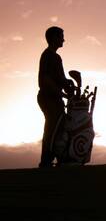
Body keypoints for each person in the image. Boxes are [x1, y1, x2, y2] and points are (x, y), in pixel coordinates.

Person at [37, 26, 72, 168]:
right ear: (53, 38)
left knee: (57, 127)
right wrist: (61, 92)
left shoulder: (55, 57)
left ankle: (57, 158)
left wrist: (69, 85)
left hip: (53, 98)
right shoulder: (48, 55)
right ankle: (46, 161)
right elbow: (45, 79)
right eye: (61, 36)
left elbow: (60, 79)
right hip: (48, 98)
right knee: (53, 128)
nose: (63, 39)